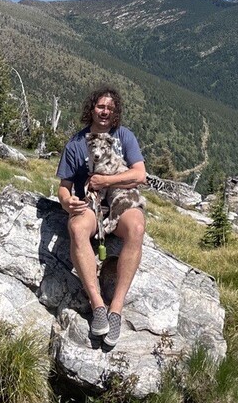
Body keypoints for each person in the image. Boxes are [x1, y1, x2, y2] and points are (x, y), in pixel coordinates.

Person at [56, 86, 146, 346]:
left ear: (115, 112)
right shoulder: (75, 143)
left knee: (136, 227)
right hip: (91, 206)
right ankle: (98, 306)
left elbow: (139, 175)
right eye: (100, 107)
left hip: (120, 202)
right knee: (76, 228)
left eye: (110, 108)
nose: (105, 112)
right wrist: (67, 202)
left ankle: (115, 309)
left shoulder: (124, 137)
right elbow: (65, 186)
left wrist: (107, 179)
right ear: (91, 109)